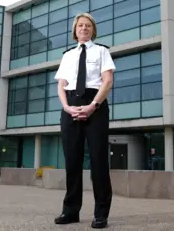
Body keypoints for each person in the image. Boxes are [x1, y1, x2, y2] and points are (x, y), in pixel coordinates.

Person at [53, 12, 116, 229]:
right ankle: (70, 211)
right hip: (70, 105)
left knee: (98, 160)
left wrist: (92, 106)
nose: (84, 28)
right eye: (80, 25)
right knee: (72, 161)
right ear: (75, 30)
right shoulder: (68, 55)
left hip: (95, 104)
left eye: (88, 25)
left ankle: (101, 214)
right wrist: (66, 107)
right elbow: (61, 85)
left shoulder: (102, 51)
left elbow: (107, 81)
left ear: (93, 30)